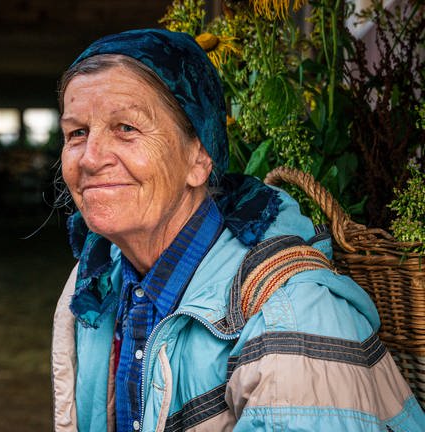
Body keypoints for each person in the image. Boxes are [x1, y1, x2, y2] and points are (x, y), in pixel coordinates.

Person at [50, 29, 425, 431]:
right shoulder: (96, 288)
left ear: (199, 157)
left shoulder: (289, 321)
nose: (89, 158)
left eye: (126, 127)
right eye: (77, 133)